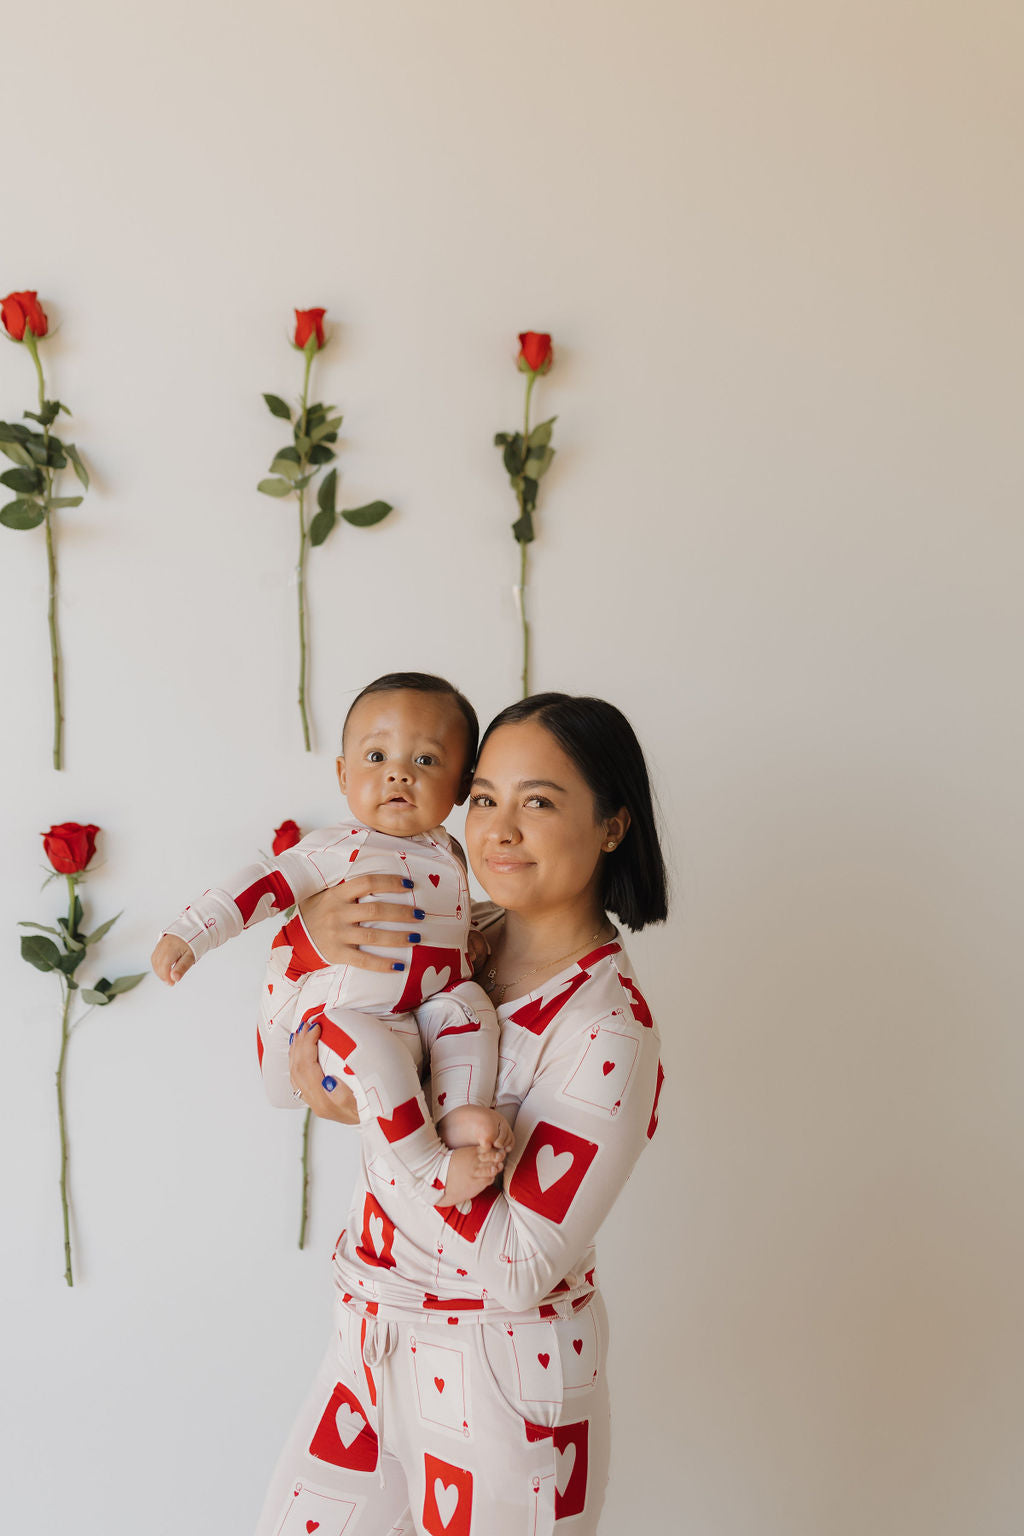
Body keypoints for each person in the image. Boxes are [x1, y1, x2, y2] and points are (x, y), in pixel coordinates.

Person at [254, 693, 668, 1536]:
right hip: (368, 1338)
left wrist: (376, 1100)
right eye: (483, 796)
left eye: (539, 802)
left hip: (502, 1376)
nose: (497, 830)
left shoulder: (606, 1028)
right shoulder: (446, 942)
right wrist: (305, 950)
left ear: (613, 825)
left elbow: (517, 1267)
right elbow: (275, 1077)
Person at [151, 672, 512, 1207]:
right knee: (375, 1056)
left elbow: (446, 920)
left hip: (424, 1014)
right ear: (343, 774)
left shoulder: (453, 854)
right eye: (375, 758)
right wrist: (190, 933)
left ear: (462, 786)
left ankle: (459, 1112)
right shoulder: (336, 848)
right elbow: (264, 885)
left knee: (469, 1006)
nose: (398, 775)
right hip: (341, 1026)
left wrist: (470, 939)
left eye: (426, 761)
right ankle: (425, 1171)